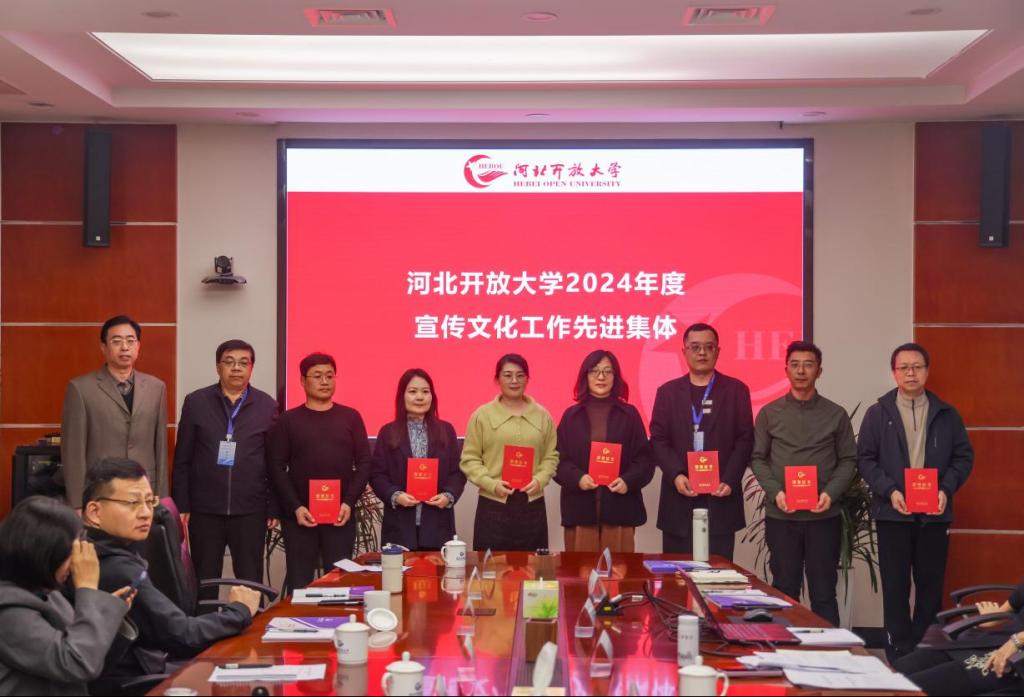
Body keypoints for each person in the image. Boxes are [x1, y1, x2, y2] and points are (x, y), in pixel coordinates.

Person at [82, 458, 260, 682]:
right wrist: (240, 610)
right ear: (95, 512)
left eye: (149, 501)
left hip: (149, 666)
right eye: (132, 503)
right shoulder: (118, 569)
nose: (146, 513)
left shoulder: (92, 551)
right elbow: (184, 636)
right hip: (140, 682)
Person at [858, 342, 974, 660]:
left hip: (934, 515)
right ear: (894, 372)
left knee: (930, 589)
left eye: (917, 367)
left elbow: (963, 457)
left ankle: (926, 653)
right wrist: (890, 491)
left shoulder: (947, 414)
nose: (911, 373)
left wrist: (945, 489)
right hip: (892, 513)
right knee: (895, 588)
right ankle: (897, 653)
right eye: (904, 367)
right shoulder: (878, 413)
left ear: (927, 371)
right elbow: (865, 459)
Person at [750, 341, 857, 626]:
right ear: (785, 369)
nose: (801, 371)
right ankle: (785, 647)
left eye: (808, 365)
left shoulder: (836, 414)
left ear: (819, 371)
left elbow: (848, 460)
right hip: (781, 516)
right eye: (795, 365)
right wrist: (776, 492)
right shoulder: (769, 413)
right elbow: (757, 458)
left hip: (824, 516)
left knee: (824, 592)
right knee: (784, 588)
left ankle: (830, 648)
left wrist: (830, 493)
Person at [172, 339, 280, 594]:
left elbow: (274, 462)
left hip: (250, 509)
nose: (236, 368)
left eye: (243, 363)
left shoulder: (267, 405)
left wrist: (274, 506)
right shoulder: (196, 402)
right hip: (205, 509)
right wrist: (182, 504)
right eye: (229, 362)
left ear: (251, 368)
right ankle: (204, 621)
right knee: (204, 578)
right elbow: (183, 457)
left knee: (250, 579)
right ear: (218, 367)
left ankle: (248, 620)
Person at [0, 496, 134, 696]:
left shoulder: (48, 593)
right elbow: (78, 663)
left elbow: (92, 662)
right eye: (70, 552)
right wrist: (88, 590)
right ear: (45, 553)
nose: (74, 563)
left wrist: (106, 615)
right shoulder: (7, 611)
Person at [268, 352, 372, 590]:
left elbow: (365, 461)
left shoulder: (351, 417)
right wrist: (295, 507)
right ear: (303, 381)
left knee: (339, 581)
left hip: (340, 516)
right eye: (317, 376)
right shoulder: (288, 421)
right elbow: (276, 466)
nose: (324, 381)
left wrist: (348, 502)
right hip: (300, 517)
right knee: (300, 582)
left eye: (329, 376)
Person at [650, 323, 754, 560]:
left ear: (718, 351)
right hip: (679, 496)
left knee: (718, 573)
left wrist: (729, 479)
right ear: (684, 351)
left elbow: (745, 439)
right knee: (677, 575)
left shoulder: (736, 390)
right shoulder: (667, 392)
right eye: (695, 347)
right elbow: (658, 440)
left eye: (709, 347)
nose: (702, 353)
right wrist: (676, 475)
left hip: (721, 495)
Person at [61, 315, 169, 509]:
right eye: (116, 341)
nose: (125, 347)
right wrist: (77, 504)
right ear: (103, 347)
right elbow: (73, 453)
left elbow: (160, 449)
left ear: (138, 346)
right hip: (101, 493)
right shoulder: (81, 389)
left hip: (144, 493)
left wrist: (162, 499)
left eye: (130, 341)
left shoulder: (156, 388)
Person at [555, 350, 653, 553]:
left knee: (619, 570)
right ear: (585, 376)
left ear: (615, 377)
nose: (601, 377)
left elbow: (644, 460)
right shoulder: (571, 416)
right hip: (580, 507)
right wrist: (578, 478)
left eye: (608, 371)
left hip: (620, 507)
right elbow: (558, 460)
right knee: (580, 570)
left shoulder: (629, 415)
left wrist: (627, 481)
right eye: (595, 371)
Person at [460, 354, 559, 551]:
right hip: (493, 504)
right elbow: (469, 459)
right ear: (497, 379)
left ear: (527, 379)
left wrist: (540, 480)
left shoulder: (543, 416)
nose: (514, 380)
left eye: (520, 375)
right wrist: (491, 484)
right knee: (490, 567)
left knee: (533, 567)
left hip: (532, 503)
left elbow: (551, 456)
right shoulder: (482, 416)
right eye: (507, 375)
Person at [370, 369, 466, 551]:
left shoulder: (446, 430)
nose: (420, 397)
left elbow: (457, 472)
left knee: (437, 570)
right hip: (399, 524)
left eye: (425, 391)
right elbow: (377, 474)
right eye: (413, 391)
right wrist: (395, 495)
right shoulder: (388, 432)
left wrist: (448, 496)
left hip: (437, 523)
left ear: (432, 396)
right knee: (399, 570)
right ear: (402, 396)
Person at [896, 580, 1023, 695]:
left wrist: (1017, 641)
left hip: (1016, 658)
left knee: (911, 688)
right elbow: (1010, 607)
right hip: (997, 640)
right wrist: (994, 617)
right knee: (900, 668)